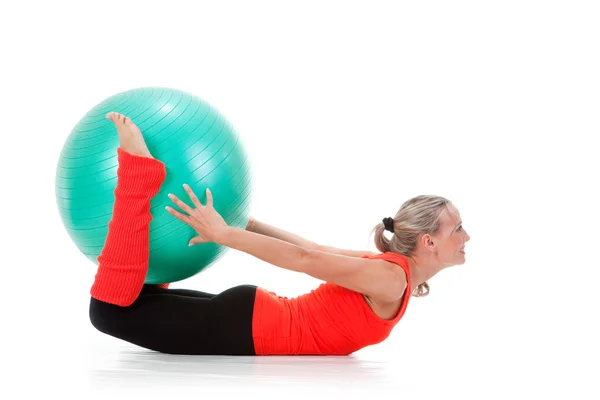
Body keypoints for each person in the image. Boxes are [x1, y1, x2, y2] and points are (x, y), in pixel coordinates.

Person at [89, 112, 470, 356]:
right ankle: (138, 174)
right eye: (459, 229)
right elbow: (308, 258)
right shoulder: (391, 278)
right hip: (248, 329)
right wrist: (229, 232)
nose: (466, 237)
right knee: (107, 313)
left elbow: (313, 249)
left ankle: (144, 188)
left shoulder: (391, 272)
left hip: (249, 319)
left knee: (138, 299)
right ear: (429, 241)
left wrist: (243, 226)